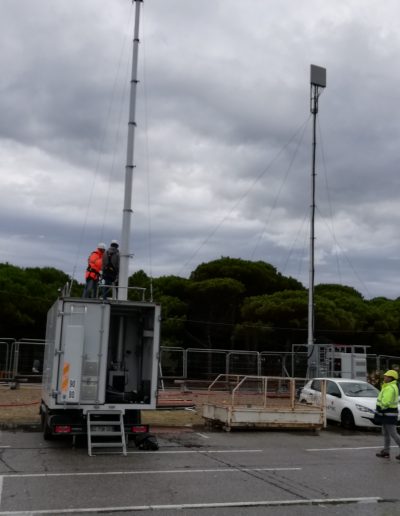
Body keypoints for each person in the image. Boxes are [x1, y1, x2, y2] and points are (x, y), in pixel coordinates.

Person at [375, 369, 400, 459]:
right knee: (386, 433)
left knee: (393, 433)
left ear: (390, 378)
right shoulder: (388, 386)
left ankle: (386, 451)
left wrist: (380, 409)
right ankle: (386, 451)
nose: (384, 377)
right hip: (387, 414)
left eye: (386, 376)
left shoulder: (390, 388)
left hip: (388, 414)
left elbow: (386, 402)